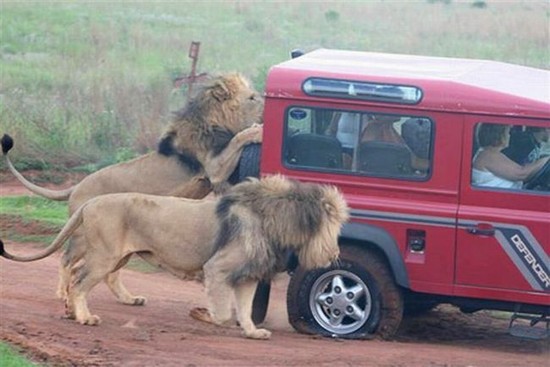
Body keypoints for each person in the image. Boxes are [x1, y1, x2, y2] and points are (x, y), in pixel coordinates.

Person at [472, 123, 549, 189]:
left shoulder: (489, 154)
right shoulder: (488, 156)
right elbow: (521, 173)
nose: (510, 135)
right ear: (499, 135)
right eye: (508, 132)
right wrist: (546, 159)